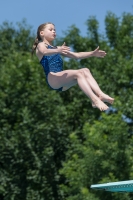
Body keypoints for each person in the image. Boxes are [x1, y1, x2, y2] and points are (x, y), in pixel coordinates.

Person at [32, 22, 114, 111]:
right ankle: (94, 100)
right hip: (52, 78)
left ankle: (100, 94)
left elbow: (77, 55)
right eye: (50, 30)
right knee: (79, 73)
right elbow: (44, 52)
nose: (54, 31)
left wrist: (92, 53)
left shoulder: (57, 48)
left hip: (62, 82)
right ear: (42, 33)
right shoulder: (41, 45)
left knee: (85, 70)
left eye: (54, 30)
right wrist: (58, 50)